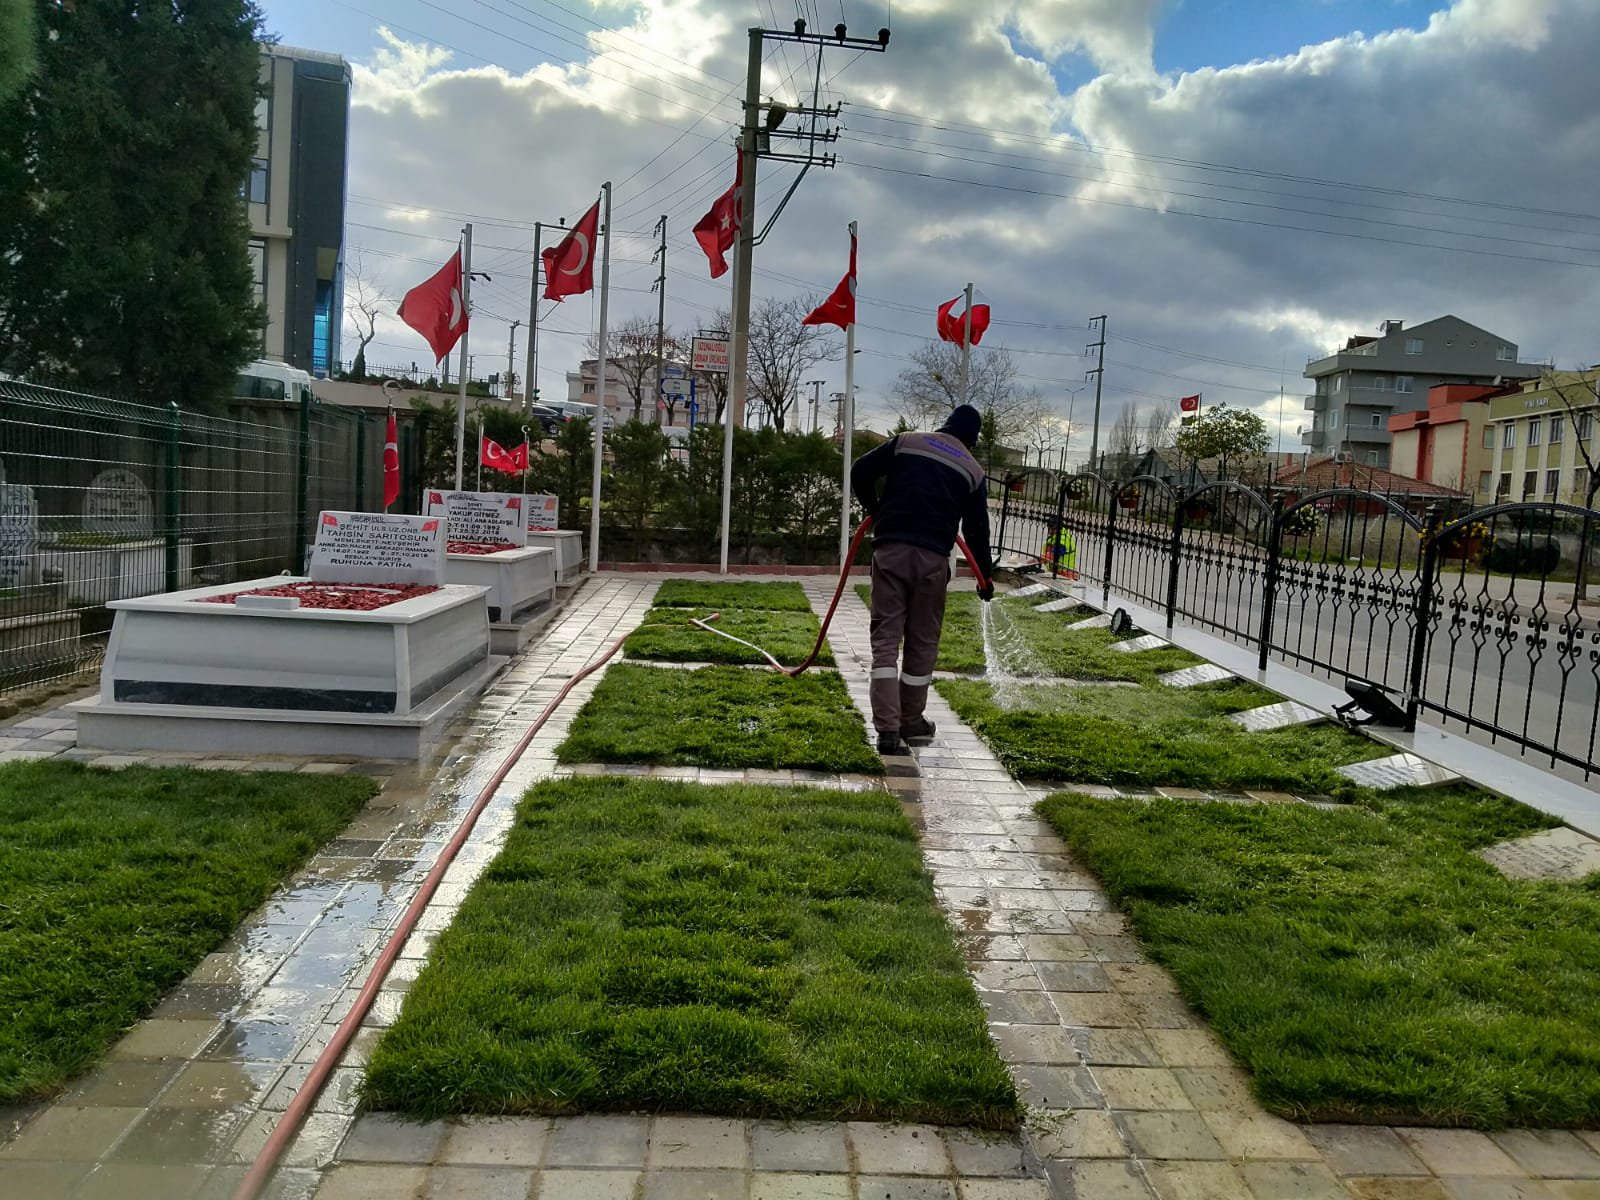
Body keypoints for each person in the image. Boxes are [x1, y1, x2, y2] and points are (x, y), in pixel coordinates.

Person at [851, 403, 995, 755]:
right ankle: (911, 720)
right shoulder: (972, 470)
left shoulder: (907, 442)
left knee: (885, 640)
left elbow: (860, 471)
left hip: (891, 552)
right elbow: (977, 530)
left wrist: (876, 508)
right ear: (972, 440)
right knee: (922, 641)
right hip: (932, 561)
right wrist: (985, 578)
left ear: (944, 425)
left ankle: (886, 730)